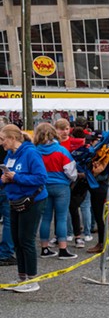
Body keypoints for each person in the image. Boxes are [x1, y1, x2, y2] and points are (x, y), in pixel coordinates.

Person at [0, 124, 48, 293]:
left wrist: (17, 177)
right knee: (17, 239)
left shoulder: (31, 153)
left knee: (26, 240)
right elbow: (6, 177)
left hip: (32, 200)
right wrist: (4, 180)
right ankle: (22, 277)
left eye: (2, 139)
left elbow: (41, 177)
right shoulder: (9, 155)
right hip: (14, 200)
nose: (1, 143)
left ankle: (33, 279)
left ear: (12, 138)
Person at [33, 123, 78, 260]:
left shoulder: (35, 151)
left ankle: (44, 248)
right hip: (61, 186)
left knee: (45, 218)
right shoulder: (61, 150)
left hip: (44, 186)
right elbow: (71, 172)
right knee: (62, 218)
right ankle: (63, 248)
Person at [0, 120, 15, 267]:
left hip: (3, 183)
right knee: (8, 220)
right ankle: (5, 252)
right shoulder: (7, 149)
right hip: (4, 185)